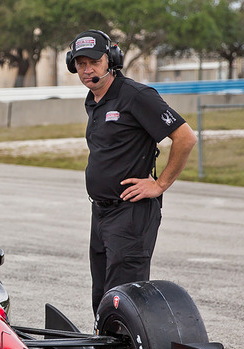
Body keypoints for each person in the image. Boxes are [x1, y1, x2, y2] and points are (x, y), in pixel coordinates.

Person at [66, 30, 197, 313]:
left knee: (124, 300)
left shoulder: (136, 96)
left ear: (111, 60)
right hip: (101, 213)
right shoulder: (94, 99)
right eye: (80, 64)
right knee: (102, 297)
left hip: (130, 213)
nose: (87, 70)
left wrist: (160, 184)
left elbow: (185, 137)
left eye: (94, 62)